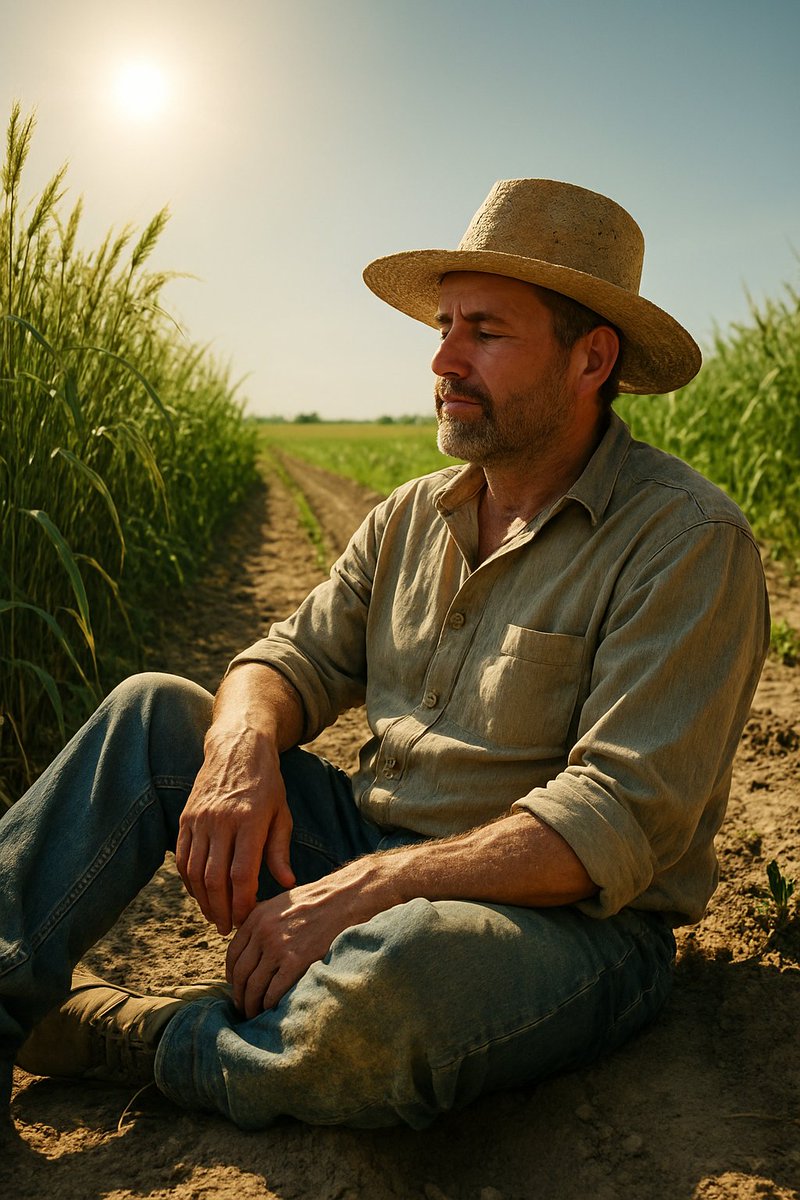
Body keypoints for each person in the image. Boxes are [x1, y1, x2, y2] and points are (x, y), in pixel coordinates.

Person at [2, 179, 769, 1131]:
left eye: (485, 331)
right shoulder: (411, 514)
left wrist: (366, 893)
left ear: (590, 359)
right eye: (444, 325)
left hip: (560, 927)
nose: (444, 357)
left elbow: (612, 823)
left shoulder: (686, 541)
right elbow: (284, 660)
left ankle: (150, 1036)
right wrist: (242, 751)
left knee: (400, 980)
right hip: (372, 851)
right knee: (153, 711)